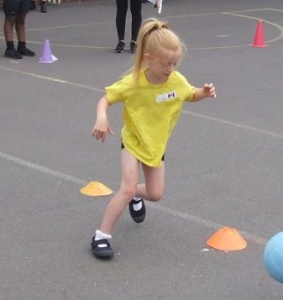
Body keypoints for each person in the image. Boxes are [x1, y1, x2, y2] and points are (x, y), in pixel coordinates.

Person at [90, 18, 217, 259]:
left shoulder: (176, 80)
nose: (170, 68)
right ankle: (101, 236)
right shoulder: (134, 83)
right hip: (133, 141)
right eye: (165, 63)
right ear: (148, 59)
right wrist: (101, 117)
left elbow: (190, 94)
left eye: (174, 63)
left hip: (156, 144)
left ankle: (137, 195)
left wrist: (204, 92)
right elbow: (106, 98)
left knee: (156, 193)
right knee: (126, 188)